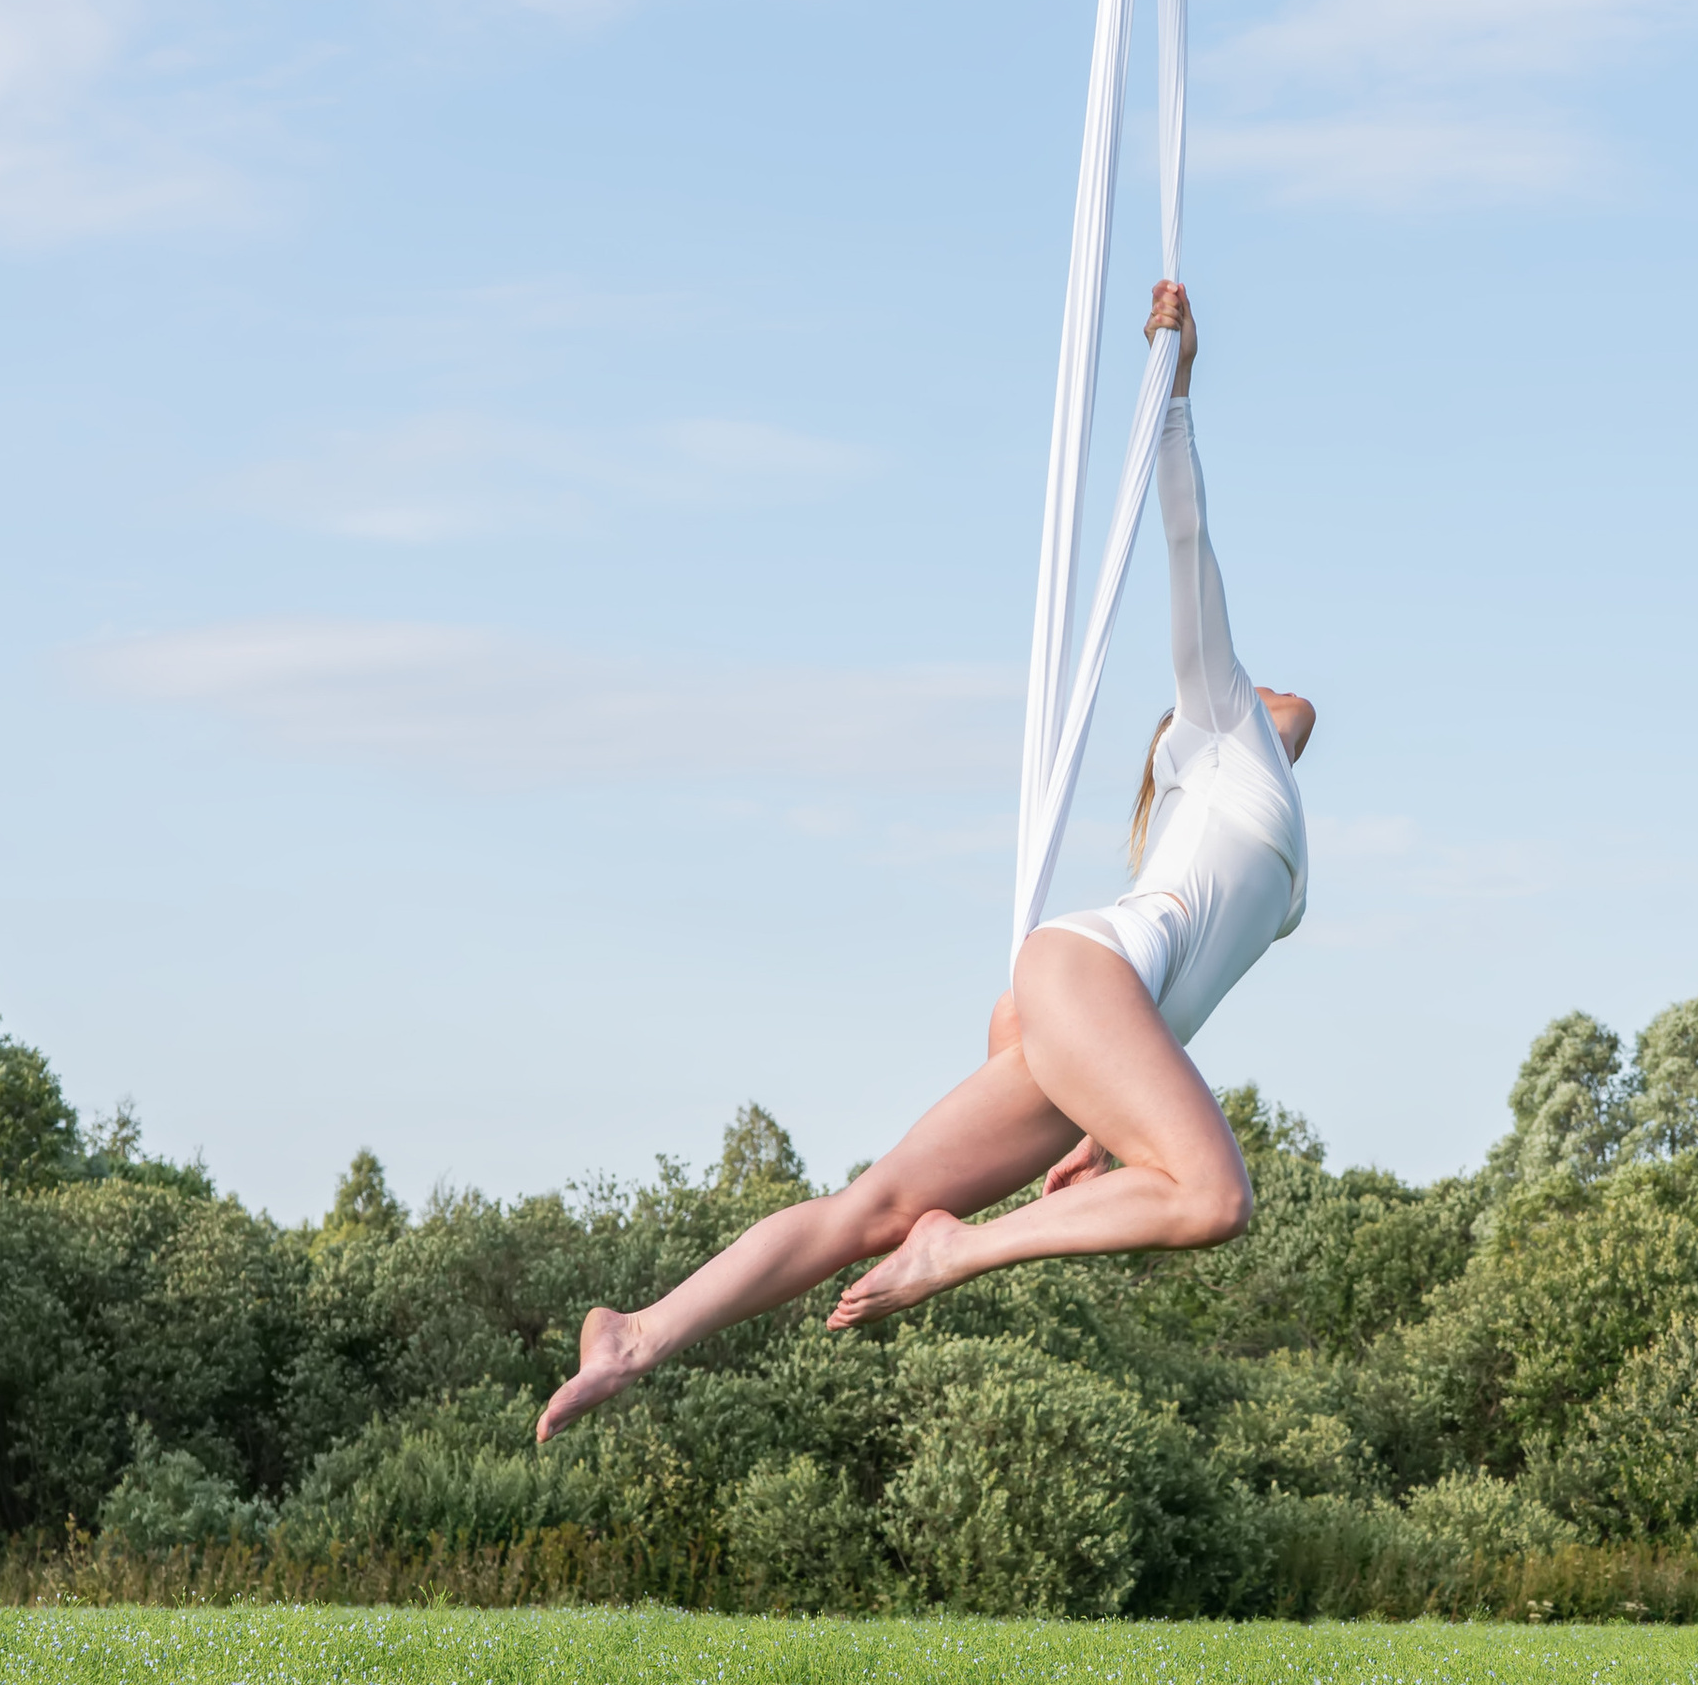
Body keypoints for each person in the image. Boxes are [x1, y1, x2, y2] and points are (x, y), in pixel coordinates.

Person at [537, 283, 1313, 1441]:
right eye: (1254, 686)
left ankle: (638, 1331)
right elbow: (1188, 549)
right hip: (1083, 973)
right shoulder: (1223, 731)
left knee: (874, 1206)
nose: (1279, 689)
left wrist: (1102, 1124)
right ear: (1191, 731)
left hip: (1093, 1011)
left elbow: (1182, 982)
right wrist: (1177, 392)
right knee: (1210, 1196)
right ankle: (956, 1251)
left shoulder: (1255, 825)